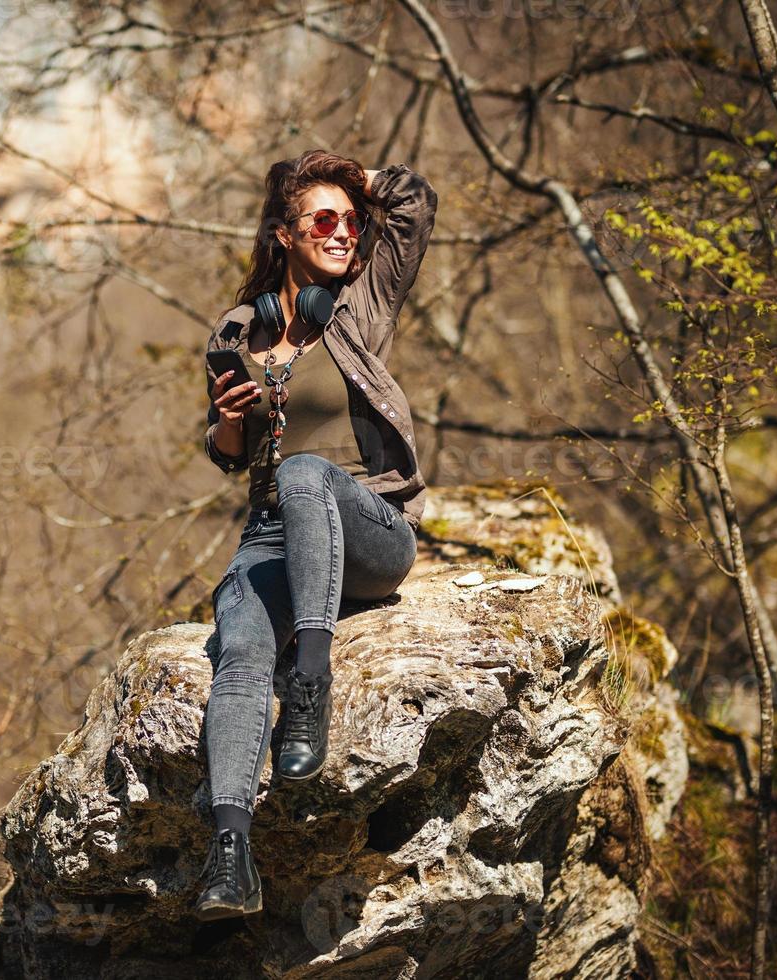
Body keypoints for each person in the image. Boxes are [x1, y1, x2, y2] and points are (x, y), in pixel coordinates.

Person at [193, 149, 437, 920]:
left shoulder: (362, 304)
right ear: (284, 236)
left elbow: (416, 203)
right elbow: (230, 458)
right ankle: (230, 855)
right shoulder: (237, 332)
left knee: (305, 476)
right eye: (323, 221)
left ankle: (312, 683)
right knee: (236, 648)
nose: (342, 234)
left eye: (350, 224)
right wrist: (229, 427)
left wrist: (349, 179)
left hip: (367, 526)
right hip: (270, 536)